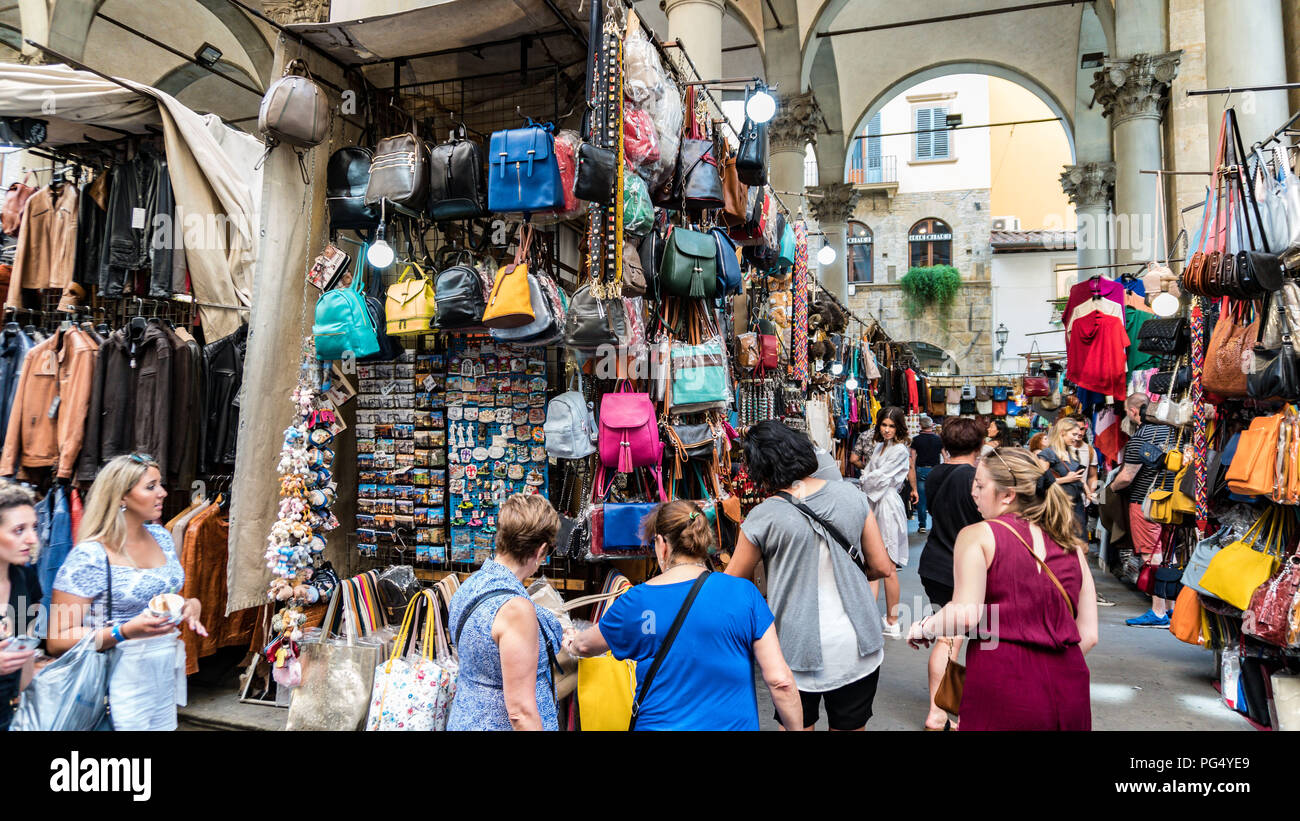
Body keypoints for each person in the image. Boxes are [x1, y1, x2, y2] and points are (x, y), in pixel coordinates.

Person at [565, 500, 802, 730]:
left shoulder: (637, 601)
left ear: (661, 544)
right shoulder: (745, 593)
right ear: (703, 541)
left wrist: (571, 641)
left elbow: (586, 646)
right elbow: (780, 681)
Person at [907, 448, 1098, 730]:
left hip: (1002, 679)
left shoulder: (978, 536)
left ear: (1008, 495)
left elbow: (964, 614)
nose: (974, 493)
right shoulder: (1071, 545)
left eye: (981, 486)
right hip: (1069, 685)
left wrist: (925, 626)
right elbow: (1089, 635)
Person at [727, 421, 896, 731]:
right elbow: (883, 567)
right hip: (856, 642)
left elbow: (732, 585)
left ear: (760, 468)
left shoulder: (763, 516)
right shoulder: (851, 495)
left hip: (794, 645)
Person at [48, 454, 207, 731]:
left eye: (160, 484)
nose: (163, 493)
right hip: (114, 678)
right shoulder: (90, 555)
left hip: (161, 671)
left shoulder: (161, 537)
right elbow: (57, 639)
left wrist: (189, 605)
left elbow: (166, 593)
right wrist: (125, 630)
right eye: (151, 486)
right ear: (121, 496)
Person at [447, 493, 565, 731]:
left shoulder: (471, 585)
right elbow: (520, 712)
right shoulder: (515, 609)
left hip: (467, 716)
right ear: (541, 549)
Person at [915, 417, 984, 730]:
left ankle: (946, 707)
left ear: (945, 446)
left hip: (935, 562)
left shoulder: (937, 473)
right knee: (951, 641)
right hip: (960, 568)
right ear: (979, 445)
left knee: (949, 639)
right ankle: (938, 713)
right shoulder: (972, 477)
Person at [1110, 393, 1176, 628]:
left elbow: (1127, 477)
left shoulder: (1140, 438)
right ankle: (1169, 609)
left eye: (1127, 410)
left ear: (1134, 411)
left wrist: (1111, 488)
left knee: (1151, 555)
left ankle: (1157, 612)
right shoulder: (1172, 433)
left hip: (1145, 502)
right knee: (1168, 554)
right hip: (1172, 502)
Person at [858, 406, 912, 637]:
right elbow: (869, 476)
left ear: (899, 427)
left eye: (892, 426)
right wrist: (867, 480)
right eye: (884, 425)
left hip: (888, 505)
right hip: (874, 503)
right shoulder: (880, 446)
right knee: (872, 563)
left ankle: (892, 620)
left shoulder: (900, 450)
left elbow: (876, 478)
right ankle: (870, 618)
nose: (887, 429)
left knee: (889, 566)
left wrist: (866, 480)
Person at [0, 482, 40, 730]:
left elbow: (27, 642)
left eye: (33, 528)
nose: (32, 539)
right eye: (19, 530)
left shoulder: (25, 579)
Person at [1038, 418, 1089, 541]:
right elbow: (1040, 482)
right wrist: (1066, 479)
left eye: (1077, 435)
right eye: (1073, 434)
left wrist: (1087, 491)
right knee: (1063, 542)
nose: (1076, 438)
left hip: (1076, 504)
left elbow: (1078, 477)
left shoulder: (1071, 453)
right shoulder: (1048, 453)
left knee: (1081, 543)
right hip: (1060, 505)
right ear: (1062, 432)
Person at [910, 415, 943, 534]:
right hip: (935, 470)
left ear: (921, 426)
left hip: (921, 470)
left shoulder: (916, 439)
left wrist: (912, 471)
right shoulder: (939, 439)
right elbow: (945, 456)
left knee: (921, 499)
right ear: (932, 425)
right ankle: (936, 526)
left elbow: (912, 459)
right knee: (936, 499)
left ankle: (922, 525)